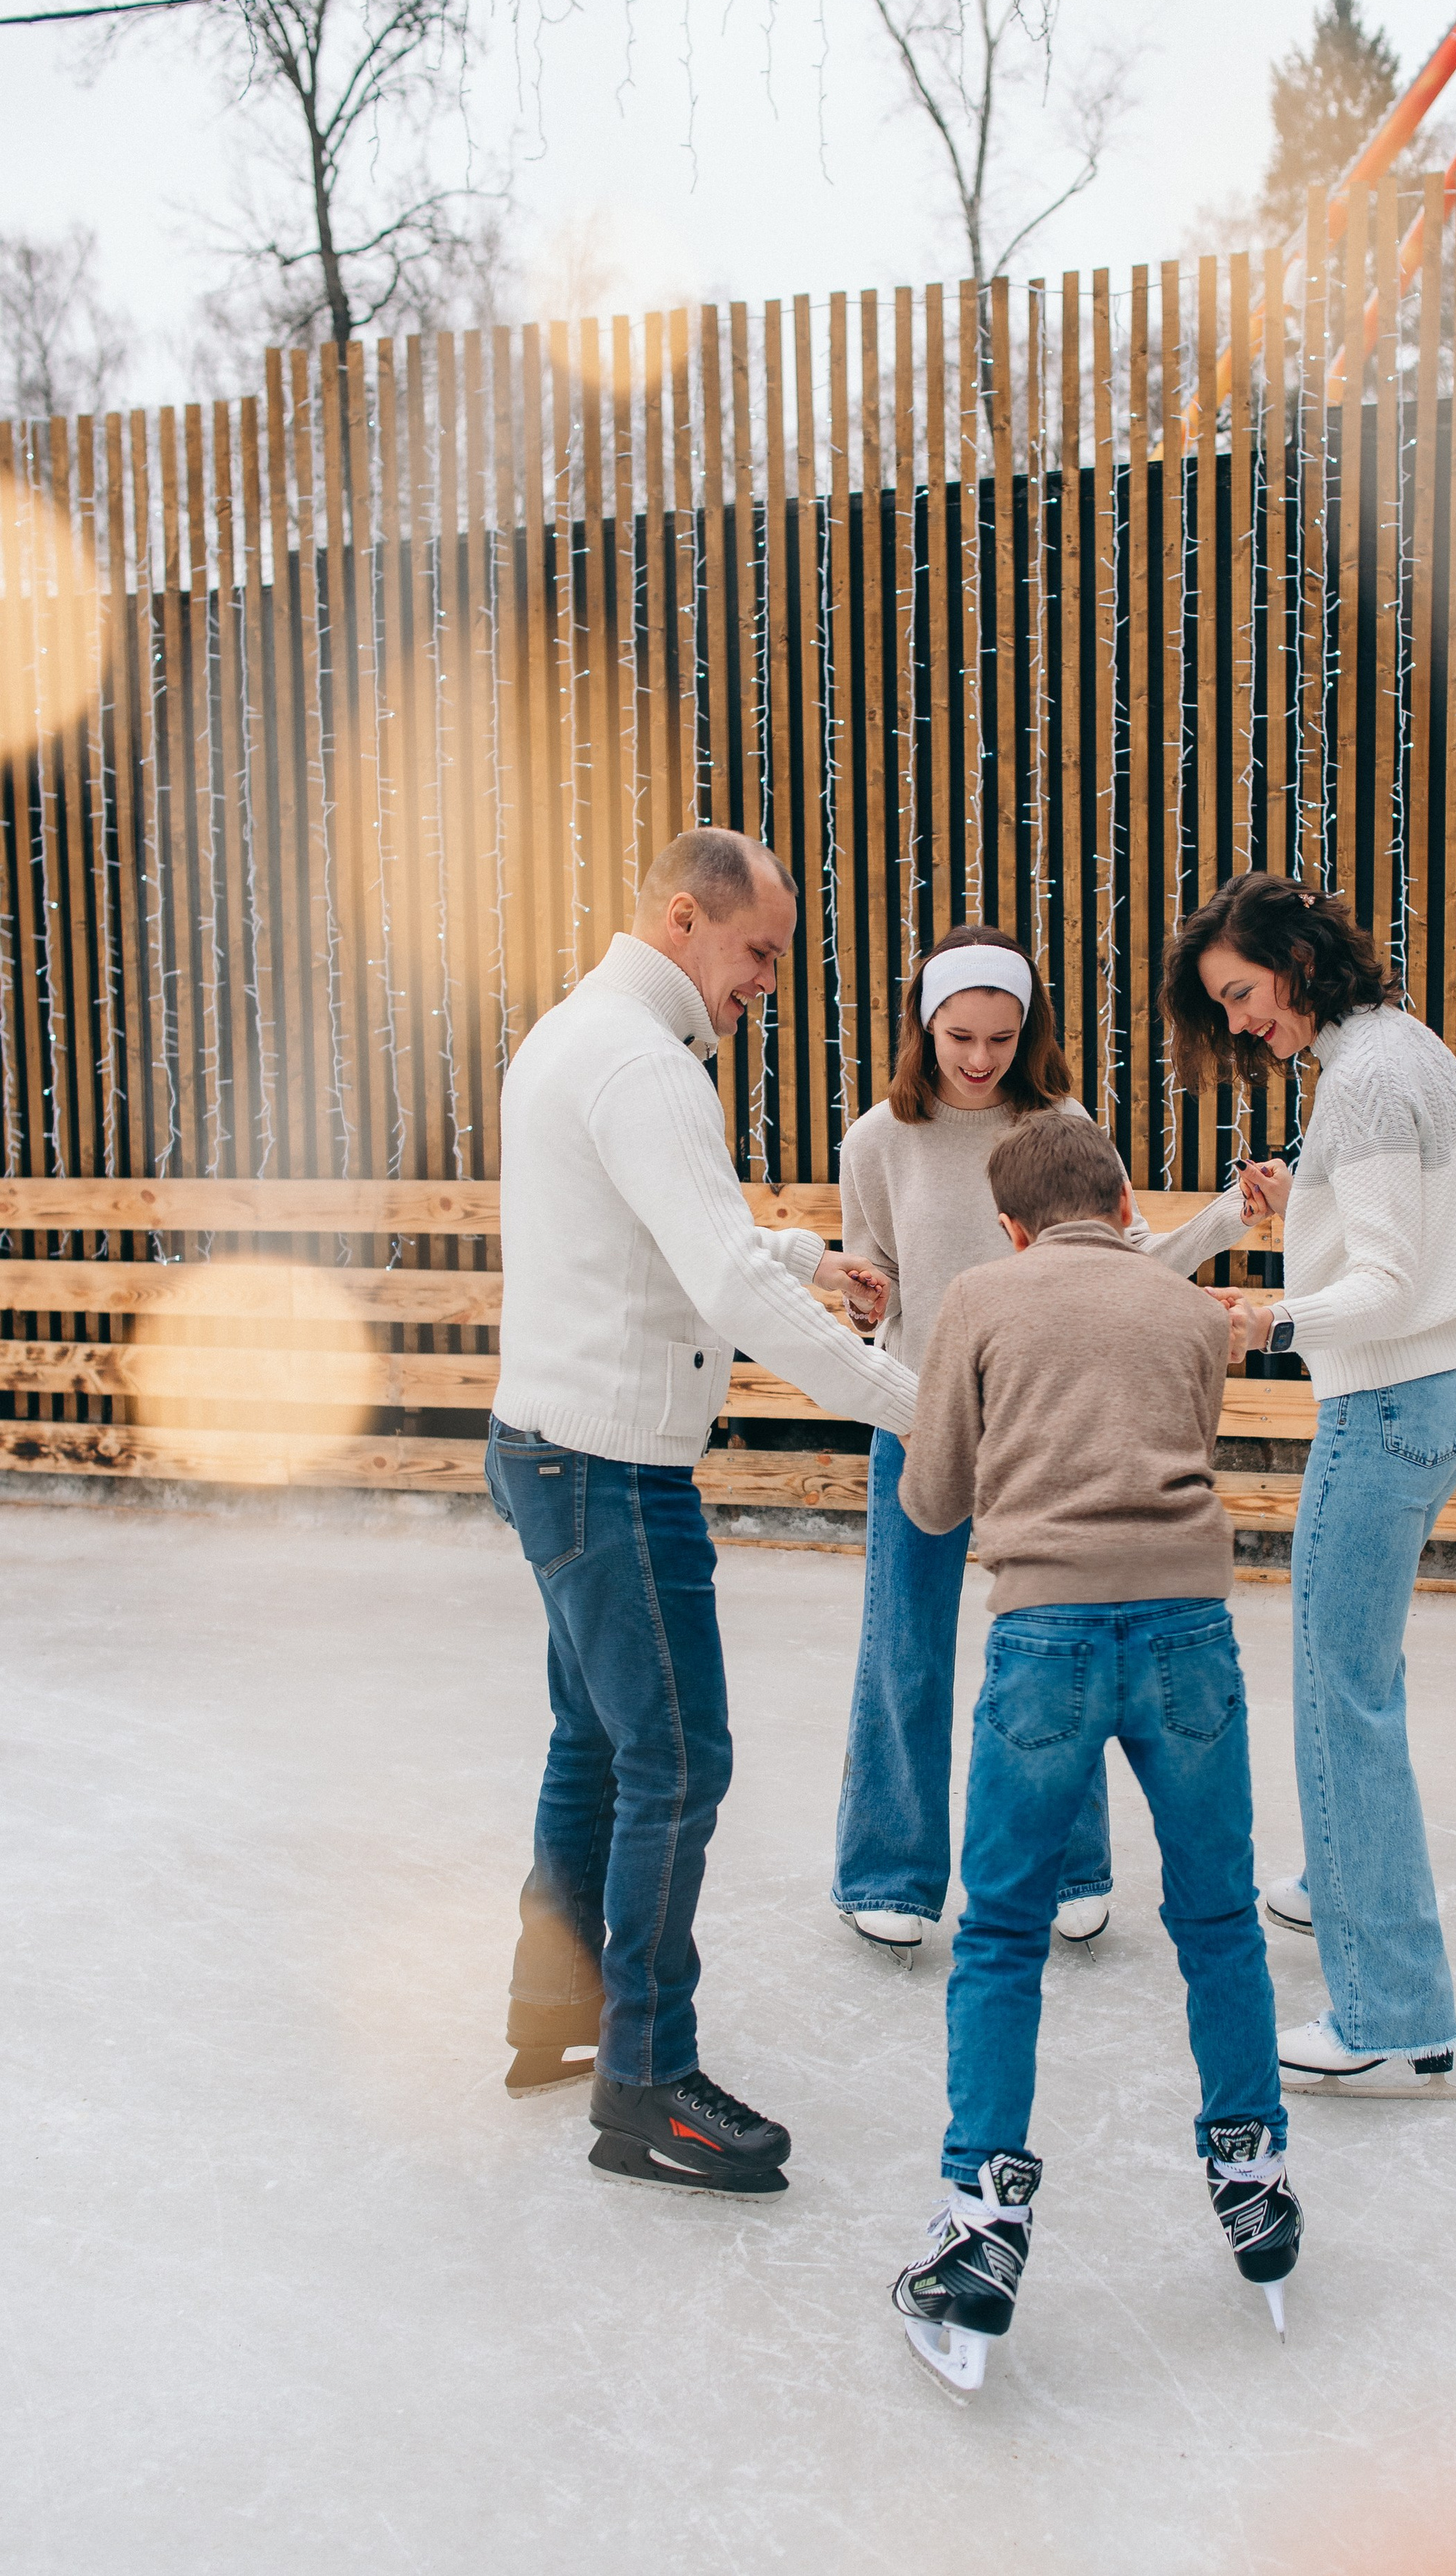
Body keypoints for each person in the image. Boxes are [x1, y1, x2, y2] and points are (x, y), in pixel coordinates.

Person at [487, 826, 918, 2201]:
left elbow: (671, 1237)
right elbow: (724, 1288)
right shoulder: (644, 1063)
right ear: (684, 919)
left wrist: (807, 1254)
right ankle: (648, 2082)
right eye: (759, 953)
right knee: (679, 1761)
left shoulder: (579, 1033)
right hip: (610, 1468)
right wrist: (920, 1404)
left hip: (548, 1443)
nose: (769, 982)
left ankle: (559, 2021)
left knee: (600, 1744)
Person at [885, 1109, 1300, 2393]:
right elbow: (1188, 1443)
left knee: (1003, 1932)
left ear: (1012, 1224)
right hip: (1188, 1637)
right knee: (1219, 1916)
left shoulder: (982, 1297)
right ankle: (1252, 2175)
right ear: (1124, 1204)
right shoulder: (1185, 1311)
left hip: (1043, 1643)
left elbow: (935, 1499)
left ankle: (984, 2222)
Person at [832, 923, 1254, 1958]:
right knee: (908, 1646)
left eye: (1003, 1037)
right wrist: (863, 1295)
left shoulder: (1064, 1122)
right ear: (924, 1027)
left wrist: (1229, 1217)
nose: (980, 1058)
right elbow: (872, 1270)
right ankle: (888, 1869)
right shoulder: (876, 1140)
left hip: (1051, 1416)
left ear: (1030, 1034)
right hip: (920, 1411)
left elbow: (1132, 1260)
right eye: (960, 1035)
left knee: (1058, 1645)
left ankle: (1072, 1866)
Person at [1161, 871, 1456, 2089]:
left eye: (1244, 993)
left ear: (1299, 961)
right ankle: (1340, 1881)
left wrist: (1267, 1318)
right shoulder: (1393, 1053)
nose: (1242, 1021)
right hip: (1433, 1391)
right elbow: (1407, 1237)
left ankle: (1391, 2009)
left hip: (1389, 1400)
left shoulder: (1368, 1078)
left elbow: (1390, 1283)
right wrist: (1304, 1210)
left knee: (1340, 1693)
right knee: (1361, 1674)